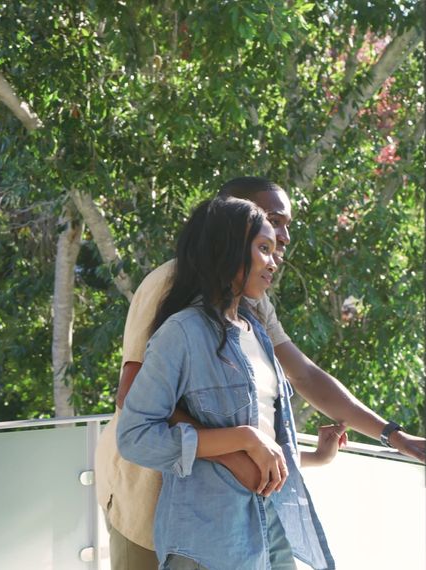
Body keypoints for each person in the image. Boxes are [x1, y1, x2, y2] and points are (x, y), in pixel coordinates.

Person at [95, 177, 425, 570]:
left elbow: (303, 377)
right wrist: (237, 449)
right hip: (150, 498)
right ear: (228, 228)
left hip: (241, 518)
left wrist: (391, 435)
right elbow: (136, 404)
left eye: (282, 230)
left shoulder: (251, 311)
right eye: (269, 226)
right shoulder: (171, 291)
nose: (282, 242)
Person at [116, 196, 333, 569]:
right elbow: (135, 437)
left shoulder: (256, 331)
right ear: (229, 251)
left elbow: (269, 434)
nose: (275, 259)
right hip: (209, 539)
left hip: (271, 525)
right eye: (263, 248)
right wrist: (243, 438)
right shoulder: (182, 332)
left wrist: (316, 457)